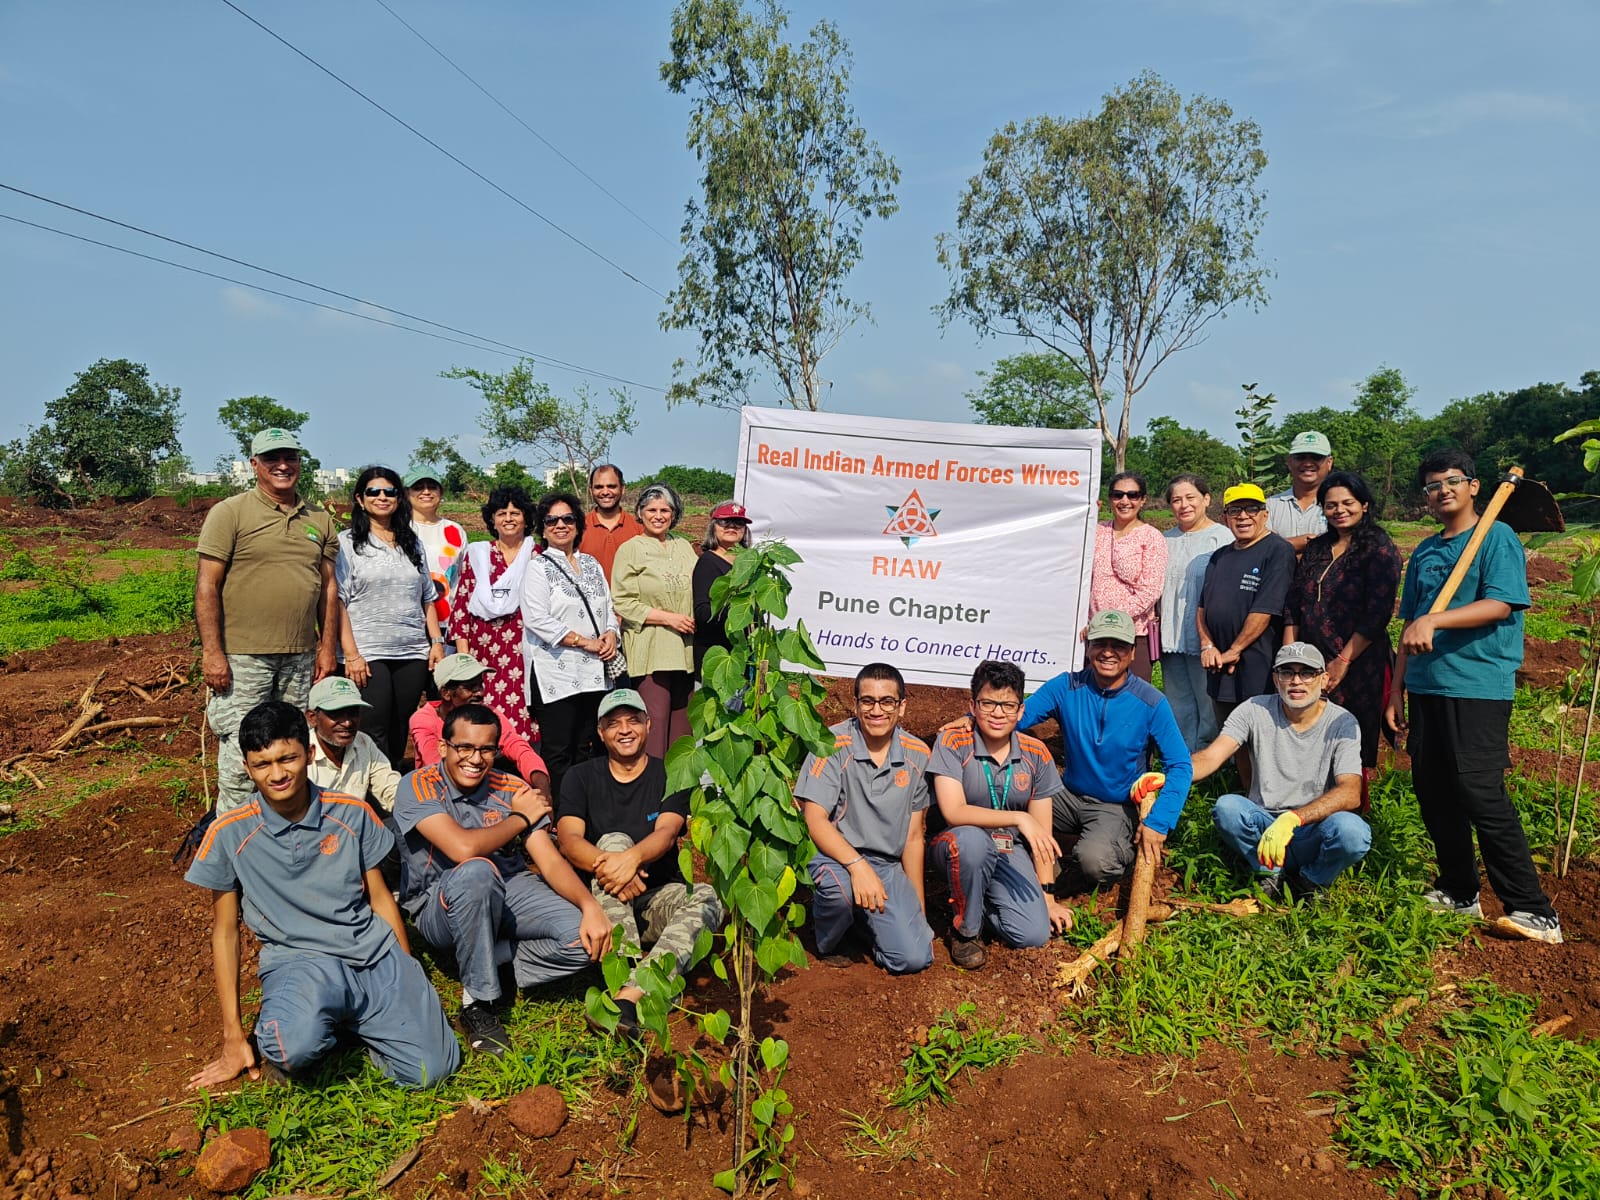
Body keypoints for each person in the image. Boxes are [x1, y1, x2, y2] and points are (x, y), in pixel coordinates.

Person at [185, 701, 460, 1090]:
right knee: (291, 1049)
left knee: (434, 1069)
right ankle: (321, 1021)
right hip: (299, 962)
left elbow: (380, 898)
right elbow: (226, 930)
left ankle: (350, 1023)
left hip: (371, 954)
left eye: (288, 758)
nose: (277, 774)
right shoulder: (229, 832)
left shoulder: (351, 813)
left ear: (309, 752)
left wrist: (407, 969)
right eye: (262, 764)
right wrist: (233, 1037)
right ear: (247, 767)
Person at [1386, 451, 1562, 944]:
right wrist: (1396, 688)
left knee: (1480, 792)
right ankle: (1459, 890)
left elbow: (1501, 603)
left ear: (1474, 486)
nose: (1442, 491)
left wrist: (1435, 619)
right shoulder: (1425, 551)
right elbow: (1410, 624)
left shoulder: (1495, 537)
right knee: (1434, 791)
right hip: (1425, 685)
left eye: (1452, 481)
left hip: (1476, 685)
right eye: (1432, 486)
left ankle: (1533, 910)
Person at [394, 703, 610, 1056]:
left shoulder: (511, 787)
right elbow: (463, 849)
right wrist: (519, 819)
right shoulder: (417, 785)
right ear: (444, 747)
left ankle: (490, 959)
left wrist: (590, 906)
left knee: (583, 939)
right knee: (477, 871)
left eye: (486, 749)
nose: (475, 759)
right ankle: (477, 1004)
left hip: (510, 888)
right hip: (441, 902)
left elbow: (549, 860)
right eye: (465, 747)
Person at [557, 689, 725, 1037]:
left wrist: (631, 860)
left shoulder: (671, 774)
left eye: (633, 720)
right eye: (613, 723)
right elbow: (569, 841)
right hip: (601, 899)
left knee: (708, 897)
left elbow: (667, 832)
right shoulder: (580, 776)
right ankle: (628, 970)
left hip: (653, 899)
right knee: (613, 840)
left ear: (649, 724)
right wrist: (615, 867)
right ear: (600, 732)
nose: (625, 730)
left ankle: (629, 995)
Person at [195, 427, 338, 812]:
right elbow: (207, 585)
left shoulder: (318, 519)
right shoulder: (230, 513)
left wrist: (326, 648)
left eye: (290, 457)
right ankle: (234, 831)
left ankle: (285, 824)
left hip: (300, 657)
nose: (283, 465)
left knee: (292, 744)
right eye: (272, 458)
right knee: (243, 746)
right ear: (254, 465)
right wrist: (212, 652)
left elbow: (328, 589)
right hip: (243, 657)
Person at [1016, 610, 1193, 892]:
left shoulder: (1150, 702)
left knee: (1096, 861)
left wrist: (1159, 821)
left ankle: (1120, 851)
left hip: (1115, 805)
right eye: (1100, 643)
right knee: (1009, 799)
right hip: (1066, 795)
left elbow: (1180, 765)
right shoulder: (1067, 686)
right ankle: (1047, 870)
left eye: (1118, 645)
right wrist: (971, 720)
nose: (1108, 652)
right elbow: (1017, 716)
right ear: (1088, 648)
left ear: (1132, 653)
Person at [1191, 644, 1371, 902]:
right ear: (1275, 679)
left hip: (1314, 827)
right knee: (1227, 808)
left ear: (1323, 679)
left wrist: (1294, 818)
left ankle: (1313, 879)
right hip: (1264, 824)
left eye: (1307, 673)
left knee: (1353, 832)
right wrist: (1175, 775)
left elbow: (1351, 792)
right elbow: (1212, 756)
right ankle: (1269, 871)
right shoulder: (1253, 710)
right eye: (1287, 673)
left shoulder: (1342, 722)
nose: (1296, 681)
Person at [928, 661, 1072, 970]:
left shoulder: (1036, 753)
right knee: (972, 844)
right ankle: (965, 930)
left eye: (1007, 705)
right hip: (957, 843)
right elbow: (954, 812)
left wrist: (1047, 897)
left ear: (1021, 711)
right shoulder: (953, 742)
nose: (997, 713)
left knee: (1033, 933)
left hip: (1008, 848)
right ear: (973, 706)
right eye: (988, 703)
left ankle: (974, 903)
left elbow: (1042, 837)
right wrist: (1019, 818)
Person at [793, 663, 935, 974]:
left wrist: (917, 909)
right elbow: (814, 820)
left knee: (913, 958)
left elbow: (913, 837)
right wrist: (858, 866)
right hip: (833, 855)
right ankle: (830, 939)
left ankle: (863, 921)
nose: (877, 710)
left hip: (885, 865)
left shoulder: (918, 755)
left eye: (887, 701)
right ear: (856, 704)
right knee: (840, 890)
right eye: (868, 701)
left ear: (901, 707)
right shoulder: (831, 744)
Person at [1284, 471, 1403, 783]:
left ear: (1364, 505)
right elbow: (1294, 603)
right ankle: (1306, 801)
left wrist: (1343, 660)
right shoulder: (1317, 548)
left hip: (1358, 662)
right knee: (1307, 730)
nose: (1339, 510)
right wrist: (1290, 654)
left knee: (1348, 737)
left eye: (1347, 503)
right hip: (1311, 658)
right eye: (1331, 505)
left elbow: (1377, 613)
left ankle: (1349, 802)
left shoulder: (1379, 549)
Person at [336, 466, 445, 766]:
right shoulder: (347, 543)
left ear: (399, 498)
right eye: (373, 491)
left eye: (390, 492)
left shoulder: (411, 542)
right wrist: (351, 654)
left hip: (412, 651)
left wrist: (436, 642)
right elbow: (338, 602)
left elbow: (427, 598)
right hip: (368, 651)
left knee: (400, 727)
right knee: (373, 729)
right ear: (360, 499)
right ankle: (373, 790)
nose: (382, 497)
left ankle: (394, 787)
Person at [522, 491, 620, 805]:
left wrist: (611, 634)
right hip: (556, 672)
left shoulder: (591, 564)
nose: (560, 525)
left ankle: (587, 809)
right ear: (543, 527)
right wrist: (584, 641)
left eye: (567, 518)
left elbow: (608, 606)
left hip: (594, 672)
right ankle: (565, 814)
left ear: (578, 524)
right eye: (552, 520)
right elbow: (536, 619)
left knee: (587, 744)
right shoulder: (538, 567)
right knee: (559, 749)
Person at [1196, 483, 1296, 790]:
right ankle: (1248, 797)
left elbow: (1265, 609)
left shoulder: (1277, 551)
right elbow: (1202, 608)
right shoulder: (1219, 557)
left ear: (1265, 514)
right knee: (1234, 736)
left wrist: (1235, 648)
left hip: (1258, 663)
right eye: (1235, 510)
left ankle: (1274, 800)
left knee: (1265, 736)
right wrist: (1208, 644)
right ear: (1225, 517)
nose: (1243, 516)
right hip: (1220, 665)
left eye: (1251, 509)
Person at [611, 484, 697, 759]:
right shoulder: (630, 549)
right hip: (651, 649)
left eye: (665, 510)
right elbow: (623, 601)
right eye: (651, 510)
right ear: (640, 512)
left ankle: (678, 788)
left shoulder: (683, 546)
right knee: (655, 727)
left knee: (683, 732)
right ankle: (652, 785)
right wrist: (669, 619)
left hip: (685, 650)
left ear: (674, 513)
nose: (658, 516)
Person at [453, 486, 538, 746]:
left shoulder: (538, 556)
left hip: (526, 652)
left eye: (515, 513)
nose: (509, 518)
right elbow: (462, 608)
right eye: (502, 513)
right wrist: (465, 661)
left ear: (526, 518)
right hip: (483, 653)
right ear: (492, 519)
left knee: (526, 717)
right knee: (483, 717)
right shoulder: (478, 555)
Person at [1159, 474, 1234, 751]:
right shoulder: (1164, 539)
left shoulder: (1222, 538)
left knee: (1207, 699)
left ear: (1206, 499)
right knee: (1177, 698)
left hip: (1206, 635)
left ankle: (1209, 757)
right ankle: (1183, 756)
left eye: (1190, 498)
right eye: (1177, 500)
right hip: (1170, 633)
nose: (1184, 505)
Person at [411, 654, 551, 791]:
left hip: (478, 784)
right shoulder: (424, 719)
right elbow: (434, 763)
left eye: (480, 685)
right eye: (470, 687)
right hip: (437, 790)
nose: (479, 693)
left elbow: (516, 746)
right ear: (446, 693)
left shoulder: (488, 713)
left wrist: (540, 782)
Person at [1089, 472, 1167, 681]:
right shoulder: (1096, 532)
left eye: (1132, 495)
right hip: (1093, 634)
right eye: (1118, 495)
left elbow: (1150, 591)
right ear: (1109, 499)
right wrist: (1087, 515)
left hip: (1133, 634)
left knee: (1131, 696)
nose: (1125, 501)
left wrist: (1108, 622)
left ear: (1143, 500)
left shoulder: (1152, 537)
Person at [304, 675, 401, 816]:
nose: (347, 723)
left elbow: (390, 787)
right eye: (336, 714)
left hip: (356, 826)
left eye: (353, 713)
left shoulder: (364, 743)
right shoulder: (300, 754)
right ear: (312, 718)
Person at [406, 468, 467, 647]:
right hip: (411, 621)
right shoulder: (400, 530)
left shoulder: (455, 530)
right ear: (407, 493)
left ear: (441, 492)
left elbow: (464, 577)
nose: (426, 492)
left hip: (448, 621)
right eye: (418, 487)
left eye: (432, 487)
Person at [693, 501, 753, 674]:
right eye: (725, 522)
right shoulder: (708, 562)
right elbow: (702, 612)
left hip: (744, 654)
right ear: (714, 527)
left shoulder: (749, 562)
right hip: (717, 653)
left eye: (739, 522)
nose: (732, 526)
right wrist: (739, 611)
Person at [1267, 431, 1334, 553]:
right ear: (1289, 462)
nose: (1308, 463)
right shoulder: (1269, 506)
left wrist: (1282, 546)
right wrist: (1306, 542)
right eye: (1300, 457)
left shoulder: (1339, 506)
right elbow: (1261, 549)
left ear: (1329, 463)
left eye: (1316, 457)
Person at [584, 464, 643, 583]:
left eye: (611, 486)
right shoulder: (578, 528)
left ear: (622, 489)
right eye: (599, 487)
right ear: (591, 491)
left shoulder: (640, 528)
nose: (605, 492)